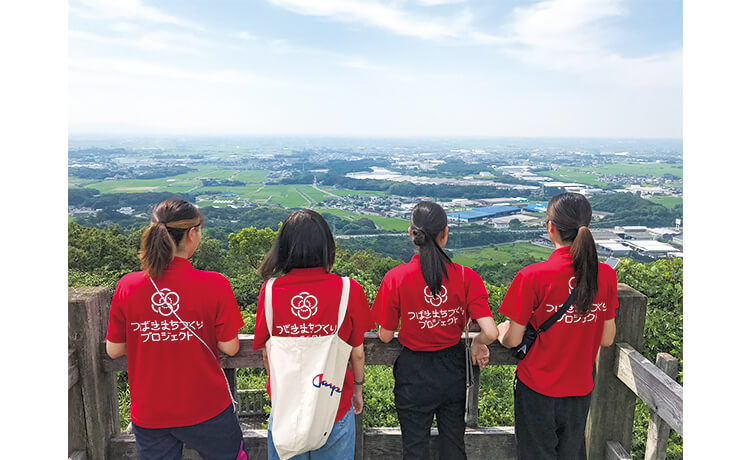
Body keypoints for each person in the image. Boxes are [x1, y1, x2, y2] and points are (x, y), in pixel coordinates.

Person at [105, 198, 247, 460]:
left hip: (150, 411)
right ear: (192, 234)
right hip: (207, 406)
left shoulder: (128, 285)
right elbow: (230, 346)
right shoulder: (215, 284)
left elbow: (114, 350)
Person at [372, 201, 499, 460]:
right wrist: (477, 343)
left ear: (412, 234)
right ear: (445, 233)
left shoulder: (396, 277)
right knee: (454, 445)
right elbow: (491, 331)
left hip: (413, 372)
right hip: (451, 369)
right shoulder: (466, 277)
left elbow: (385, 335)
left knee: (415, 448)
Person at [496, 192, 619, 460]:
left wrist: (504, 332)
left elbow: (514, 339)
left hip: (537, 388)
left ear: (550, 228)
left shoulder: (532, 277)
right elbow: (607, 337)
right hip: (580, 388)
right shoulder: (606, 275)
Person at [252, 209, 374, 460]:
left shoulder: (270, 290)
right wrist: (357, 390)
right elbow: (357, 353)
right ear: (326, 247)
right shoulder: (347, 290)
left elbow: (267, 354)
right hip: (334, 405)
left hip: (287, 407)